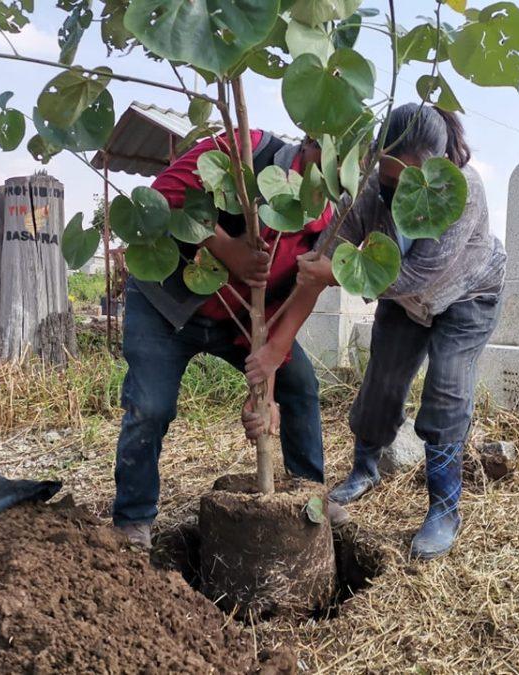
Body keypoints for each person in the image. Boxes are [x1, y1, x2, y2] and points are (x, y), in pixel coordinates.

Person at [244, 104, 506, 560]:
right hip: (403, 300)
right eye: (384, 172)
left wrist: (335, 275)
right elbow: (339, 245)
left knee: (446, 386)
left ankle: (445, 507)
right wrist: (311, 277)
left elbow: (423, 273)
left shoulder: (464, 193)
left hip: (467, 295)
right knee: (382, 382)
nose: (391, 184)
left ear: (433, 165)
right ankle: (365, 467)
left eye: (402, 176)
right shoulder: (373, 185)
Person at [113, 130, 347, 549]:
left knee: (300, 387)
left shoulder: (328, 219)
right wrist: (227, 249)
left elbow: (290, 298)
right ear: (313, 142)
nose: (334, 178)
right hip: (168, 302)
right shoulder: (248, 150)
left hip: (239, 320)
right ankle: (133, 517)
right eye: (332, 161)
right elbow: (160, 197)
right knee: (150, 405)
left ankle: (311, 493)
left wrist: (264, 391)